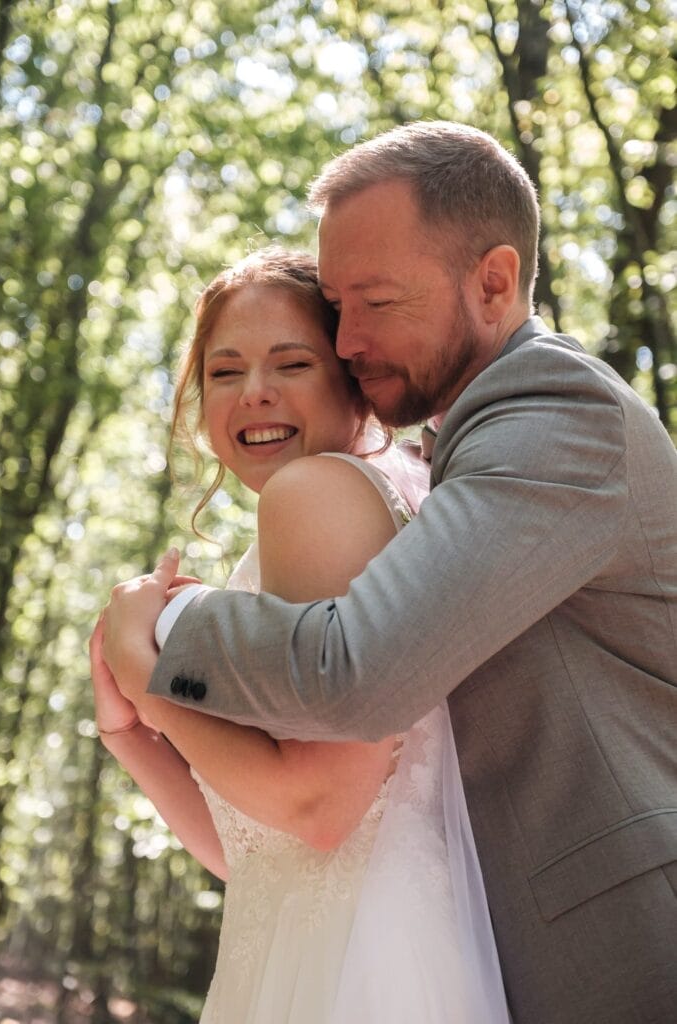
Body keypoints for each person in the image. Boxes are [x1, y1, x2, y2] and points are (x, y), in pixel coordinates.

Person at [103, 123, 677, 1024]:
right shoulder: (448, 450)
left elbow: (354, 679)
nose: (349, 338)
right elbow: (272, 846)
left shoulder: (554, 412)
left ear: (492, 280)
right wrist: (131, 731)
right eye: (335, 304)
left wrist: (154, 639)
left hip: (616, 935)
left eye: (371, 301)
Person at [93, 247, 510, 1023]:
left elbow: (318, 809)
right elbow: (257, 852)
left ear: (352, 380)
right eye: (224, 372)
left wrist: (147, 676)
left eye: (290, 364)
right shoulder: (402, 484)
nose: (253, 394)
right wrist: (130, 737)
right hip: (327, 942)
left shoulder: (316, 493)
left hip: (361, 965)